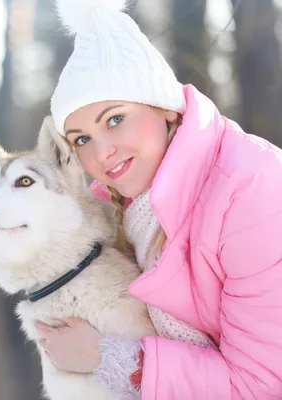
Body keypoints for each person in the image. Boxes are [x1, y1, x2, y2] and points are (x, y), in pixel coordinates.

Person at [33, 0, 282, 398]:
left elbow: (261, 387)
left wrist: (110, 358)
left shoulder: (253, 189)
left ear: (165, 108)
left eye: (115, 119)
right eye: (82, 139)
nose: (101, 153)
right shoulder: (115, 212)